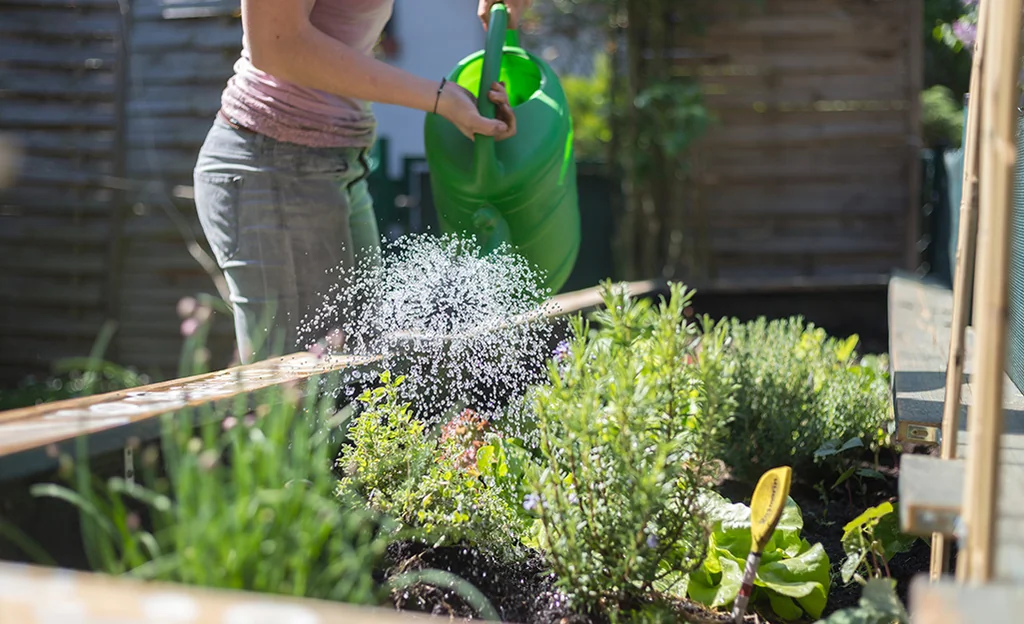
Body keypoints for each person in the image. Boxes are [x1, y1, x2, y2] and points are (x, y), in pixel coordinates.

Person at [193, 0, 532, 364]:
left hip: (338, 163)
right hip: (274, 162)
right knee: (302, 397)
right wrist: (439, 98)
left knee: (359, 374)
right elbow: (276, 44)